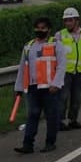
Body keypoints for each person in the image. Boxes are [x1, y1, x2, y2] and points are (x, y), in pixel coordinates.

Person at [13, 17, 67, 153]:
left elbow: (62, 66)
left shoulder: (56, 44)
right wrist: (19, 88)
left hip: (50, 88)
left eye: (43, 28)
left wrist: (56, 84)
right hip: (32, 87)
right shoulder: (29, 46)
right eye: (37, 28)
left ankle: (50, 142)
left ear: (49, 30)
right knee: (32, 114)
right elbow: (22, 68)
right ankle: (27, 144)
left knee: (51, 115)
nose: (40, 30)